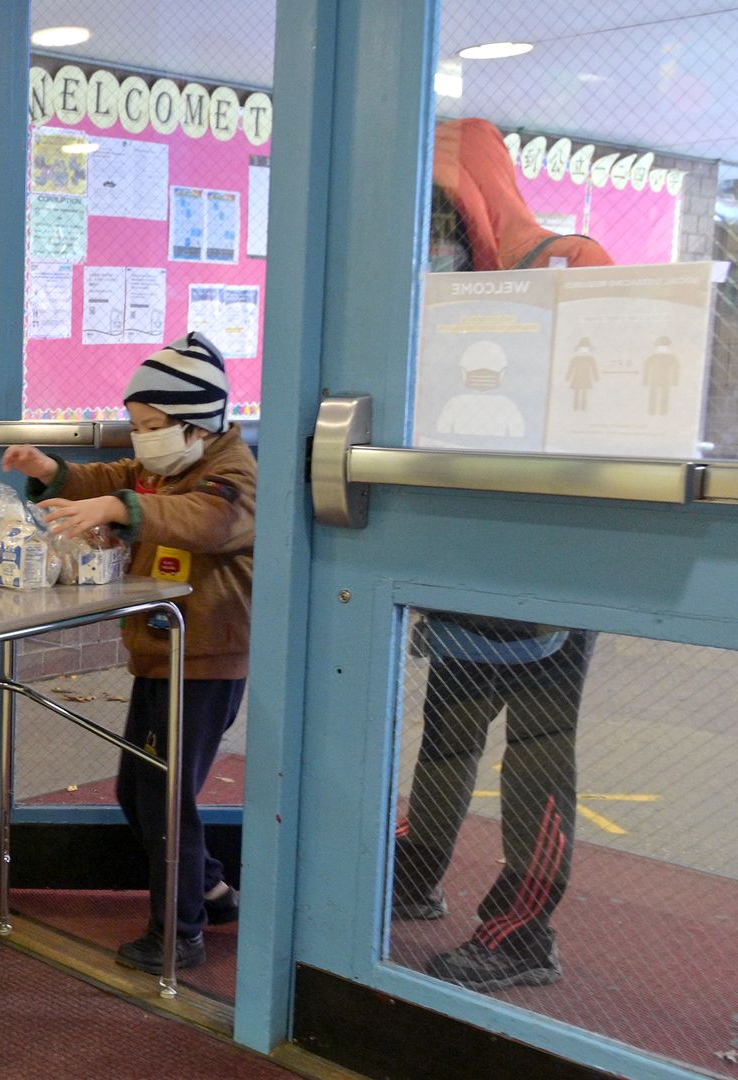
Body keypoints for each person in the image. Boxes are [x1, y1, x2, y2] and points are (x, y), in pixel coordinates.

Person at [395, 116, 612, 991]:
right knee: (446, 734)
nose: (437, 242)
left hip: (554, 558)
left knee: (538, 745)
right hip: (467, 554)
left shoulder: (571, 264)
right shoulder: (450, 284)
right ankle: (414, 879)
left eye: (449, 218)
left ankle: (524, 929)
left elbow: (609, 423)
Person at [3, 332, 256, 973]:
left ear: (198, 425)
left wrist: (120, 506)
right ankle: (211, 891)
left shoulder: (232, 475)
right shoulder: (158, 467)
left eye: (150, 426)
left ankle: (180, 931)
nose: (139, 439)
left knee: (165, 796)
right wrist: (48, 472)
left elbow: (208, 519)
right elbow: (106, 477)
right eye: (135, 426)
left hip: (205, 661)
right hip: (159, 656)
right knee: (134, 789)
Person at [393, 617, 592, 990]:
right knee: (445, 745)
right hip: (468, 610)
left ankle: (522, 937)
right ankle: (413, 876)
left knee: (538, 766)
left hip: (553, 607)